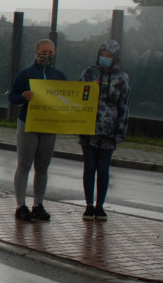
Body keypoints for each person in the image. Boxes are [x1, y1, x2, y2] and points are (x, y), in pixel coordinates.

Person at [7, 39, 66, 222]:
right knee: (24, 164)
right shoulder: (26, 74)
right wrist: (24, 97)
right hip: (28, 123)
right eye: (44, 51)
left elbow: (68, 97)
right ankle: (20, 205)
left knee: (43, 166)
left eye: (50, 52)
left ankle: (38, 204)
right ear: (36, 52)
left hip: (49, 124)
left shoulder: (58, 76)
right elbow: (13, 97)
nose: (47, 55)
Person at [78, 40, 130, 221]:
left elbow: (124, 105)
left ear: (115, 58)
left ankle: (100, 205)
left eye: (109, 56)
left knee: (103, 168)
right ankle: (88, 205)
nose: (105, 59)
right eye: (103, 55)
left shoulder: (122, 78)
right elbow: (79, 97)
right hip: (89, 128)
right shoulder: (88, 73)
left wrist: (120, 130)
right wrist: (92, 87)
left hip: (109, 130)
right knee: (90, 166)